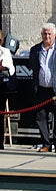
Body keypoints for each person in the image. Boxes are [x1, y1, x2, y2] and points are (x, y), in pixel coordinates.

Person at [30, 23, 56, 152]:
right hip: (41, 89)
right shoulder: (35, 50)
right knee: (41, 117)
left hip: (54, 89)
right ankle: (46, 144)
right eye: (45, 34)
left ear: (54, 35)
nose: (47, 36)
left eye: (49, 34)